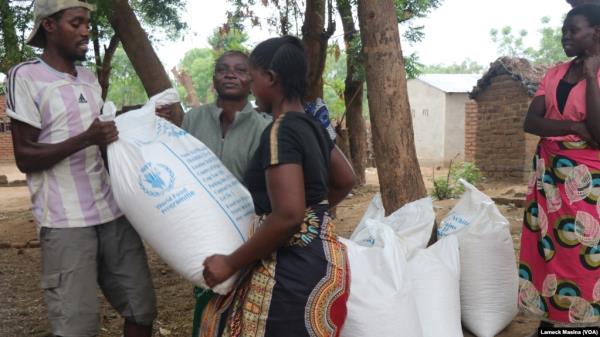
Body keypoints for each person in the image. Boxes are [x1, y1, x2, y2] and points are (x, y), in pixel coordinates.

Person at [6, 1, 157, 336]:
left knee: (141, 309)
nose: (86, 31)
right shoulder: (26, 76)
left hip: (113, 214)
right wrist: (87, 138)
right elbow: (25, 156)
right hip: (65, 223)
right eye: (76, 23)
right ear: (49, 26)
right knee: (77, 326)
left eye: (87, 23)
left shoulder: (89, 79)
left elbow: (100, 143)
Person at [200, 35, 355, 337]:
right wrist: (314, 218)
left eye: (253, 75)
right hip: (323, 261)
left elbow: (287, 215)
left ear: (270, 78)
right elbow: (345, 179)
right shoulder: (310, 123)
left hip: (291, 271)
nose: (249, 84)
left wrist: (230, 263)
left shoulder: (279, 130)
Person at [519, 4, 600, 330]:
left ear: (596, 32)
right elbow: (531, 121)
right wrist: (573, 126)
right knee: (547, 248)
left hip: (588, 184)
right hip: (550, 178)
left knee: (585, 249)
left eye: (574, 30)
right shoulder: (554, 73)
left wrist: (592, 77)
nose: (565, 36)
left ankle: (586, 324)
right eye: (564, 30)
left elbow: (597, 134)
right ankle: (554, 320)